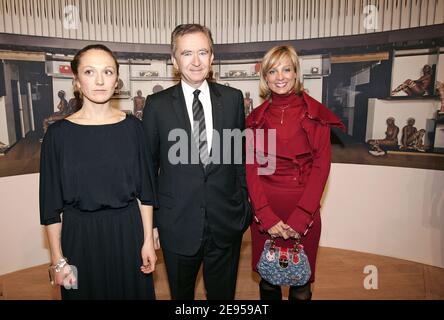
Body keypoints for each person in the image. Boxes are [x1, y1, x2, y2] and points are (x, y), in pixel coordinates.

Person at [39, 44, 158, 300]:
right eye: (90, 72)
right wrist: (58, 260)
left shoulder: (133, 129)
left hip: (128, 234)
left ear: (117, 79)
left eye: (108, 71)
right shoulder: (57, 136)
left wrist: (148, 239)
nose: (101, 80)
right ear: (77, 80)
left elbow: (146, 194)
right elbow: (50, 206)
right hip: (79, 238)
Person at [143, 24, 251, 300]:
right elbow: (149, 169)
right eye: (187, 53)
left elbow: (238, 157)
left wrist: (244, 208)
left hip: (226, 223)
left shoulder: (233, 99)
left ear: (212, 57)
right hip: (176, 224)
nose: (196, 61)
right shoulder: (156, 105)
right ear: (174, 60)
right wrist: (152, 223)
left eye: (203, 52)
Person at [245, 45, 345, 300]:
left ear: (296, 73)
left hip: (304, 209)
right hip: (265, 211)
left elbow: (322, 167)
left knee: (301, 286)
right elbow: (251, 167)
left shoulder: (316, 115)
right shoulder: (255, 119)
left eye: (286, 69)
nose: (280, 77)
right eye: (273, 70)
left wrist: (301, 217)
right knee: (268, 282)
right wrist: (265, 216)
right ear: (265, 77)